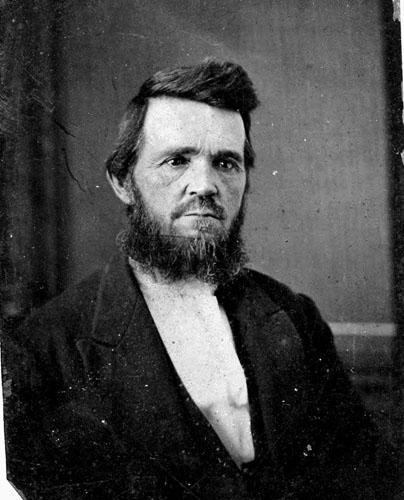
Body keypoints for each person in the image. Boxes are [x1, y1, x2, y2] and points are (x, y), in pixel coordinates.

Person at [2, 59, 398, 500]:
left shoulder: (295, 317)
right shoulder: (45, 351)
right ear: (123, 181)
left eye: (226, 163)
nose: (205, 185)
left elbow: (367, 478)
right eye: (177, 160)